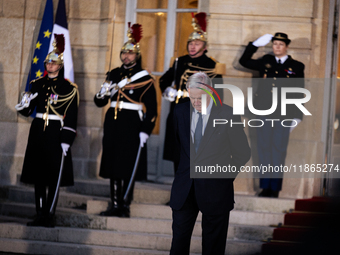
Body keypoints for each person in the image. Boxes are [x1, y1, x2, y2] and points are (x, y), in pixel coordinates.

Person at [169, 72, 251, 254]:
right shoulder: (180, 111)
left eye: (201, 98)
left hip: (216, 190)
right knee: (178, 245)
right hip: (184, 190)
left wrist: (224, 177)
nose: (196, 102)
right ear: (188, 91)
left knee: (213, 246)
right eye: (192, 98)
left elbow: (242, 152)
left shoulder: (228, 114)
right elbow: (177, 147)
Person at [15, 34, 79, 228]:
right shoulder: (37, 84)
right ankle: (39, 213)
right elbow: (28, 109)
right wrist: (23, 106)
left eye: (53, 63)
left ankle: (49, 214)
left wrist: (67, 138)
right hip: (37, 133)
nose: (50, 66)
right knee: (38, 175)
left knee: (52, 177)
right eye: (48, 63)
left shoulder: (68, 88)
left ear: (59, 66)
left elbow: (72, 115)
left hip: (55, 133)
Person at [94, 23, 157, 218]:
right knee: (113, 162)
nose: (126, 56)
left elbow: (152, 109)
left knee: (128, 165)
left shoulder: (144, 78)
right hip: (113, 121)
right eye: (124, 53)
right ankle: (114, 203)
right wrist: (102, 93)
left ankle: (124, 205)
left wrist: (146, 129)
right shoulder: (113, 74)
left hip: (132, 124)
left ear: (137, 56)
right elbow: (99, 102)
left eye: (130, 53)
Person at [239, 33, 305, 198]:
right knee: (263, 149)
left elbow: (300, 91)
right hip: (264, 113)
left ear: (286, 46)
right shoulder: (265, 62)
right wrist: (254, 45)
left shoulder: (296, 66)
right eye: (274, 44)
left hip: (284, 114)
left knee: (278, 150)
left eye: (280, 44)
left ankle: (274, 188)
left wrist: (297, 116)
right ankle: (265, 186)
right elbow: (243, 61)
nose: (277, 47)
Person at [160, 12, 225, 173]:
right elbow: (164, 80)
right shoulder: (179, 62)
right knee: (178, 156)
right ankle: (180, 197)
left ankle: (193, 197)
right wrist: (168, 90)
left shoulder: (212, 65)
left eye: (197, 43)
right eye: (190, 43)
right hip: (179, 112)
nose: (192, 46)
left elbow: (219, 96)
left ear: (204, 46)